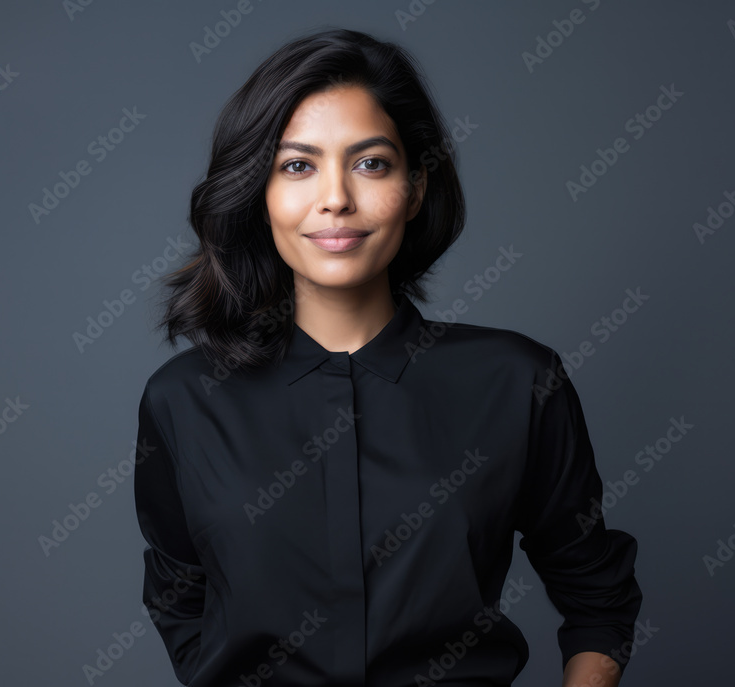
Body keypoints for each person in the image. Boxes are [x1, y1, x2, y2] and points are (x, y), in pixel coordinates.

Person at [133, 27, 642, 687]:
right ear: (260, 194)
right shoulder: (184, 399)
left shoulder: (516, 382)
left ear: (418, 186)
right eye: (297, 165)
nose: (336, 197)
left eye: (371, 162)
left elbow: (597, 592)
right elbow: (178, 594)